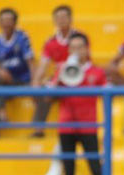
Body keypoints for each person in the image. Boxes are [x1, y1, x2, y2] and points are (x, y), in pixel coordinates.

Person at [51, 33, 106, 175]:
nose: (76, 51)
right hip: (66, 126)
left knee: (96, 169)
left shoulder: (96, 72)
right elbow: (49, 98)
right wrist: (59, 79)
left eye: (80, 47)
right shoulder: (62, 70)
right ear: (68, 50)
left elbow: (108, 95)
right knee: (69, 170)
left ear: (87, 49)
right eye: (73, 47)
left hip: (89, 126)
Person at [31, 5, 88, 139]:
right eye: (58, 18)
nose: (61, 20)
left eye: (64, 17)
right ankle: (38, 128)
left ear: (71, 19)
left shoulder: (80, 38)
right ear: (54, 21)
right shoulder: (50, 42)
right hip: (60, 79)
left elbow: (86, 60)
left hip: (79, 76)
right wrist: (36, 82)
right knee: (45, 90)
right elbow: (43, 65)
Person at [0, 8, 35, 139]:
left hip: (22, 81)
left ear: (15, 22)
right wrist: (1, 72)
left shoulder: (23, 38)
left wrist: (35, 82)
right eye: (3, 20)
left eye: (9, 20)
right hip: (6, 83)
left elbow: (31, 61)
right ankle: (0, 117)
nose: (6, 23)